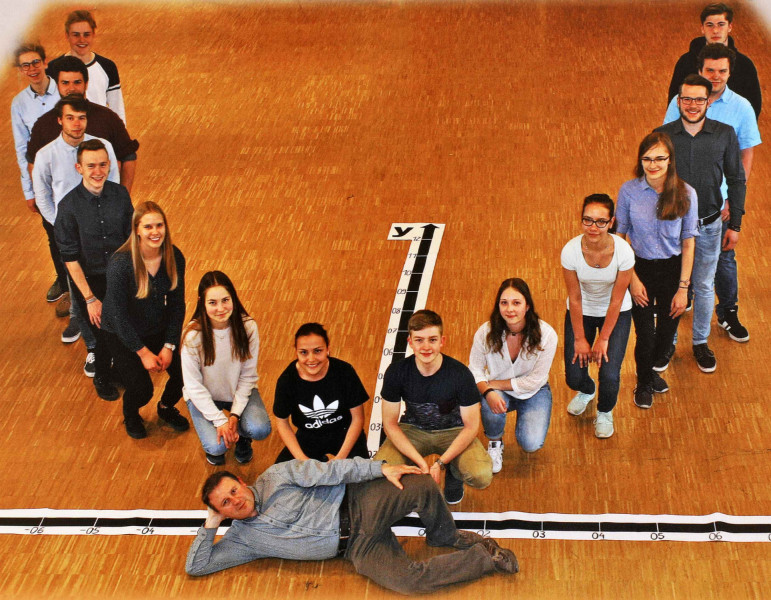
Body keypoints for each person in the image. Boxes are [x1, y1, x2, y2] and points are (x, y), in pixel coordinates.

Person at [186, 458, 518, 594]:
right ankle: (485, 558)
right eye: (224, 503)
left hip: (360, 503)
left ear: (241, 481)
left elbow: (332, 471)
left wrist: (380, 468)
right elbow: (197, 566)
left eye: (233, 491)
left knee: (422, 484)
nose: (235, 501)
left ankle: (444, 535)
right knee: (408, 582)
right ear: (220, 512)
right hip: (356, 548)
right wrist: (210, 524)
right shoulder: (243, 540)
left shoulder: (277, 476)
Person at [664, 43, 760, 343]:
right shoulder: (679, 105)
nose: (716, 76)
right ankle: (679, 307)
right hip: (678, 212)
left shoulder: (740, 110)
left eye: (722, 71)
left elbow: (743, 160)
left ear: (730, 73)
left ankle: (727, 312)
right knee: (677, 270)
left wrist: (733, 205)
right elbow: (665, 150)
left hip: (716, 207)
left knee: (723, 263)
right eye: (710, 70)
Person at [656, 74, 746, 374]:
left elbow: (736, 179)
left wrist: (735, 225)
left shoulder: (725, 134)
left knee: (705, 286)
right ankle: (666, 343)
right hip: (670, 228)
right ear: (678, 101)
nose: (692, 105)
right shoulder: (662, 136)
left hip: (710, 226)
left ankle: (700, 342)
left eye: (699, 99)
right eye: (687, 99)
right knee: (670, 286)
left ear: (709, 102)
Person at [32, 96, 119, 363]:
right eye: (70, 118)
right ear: (60, 120)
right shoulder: (45, 155)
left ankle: (118, 340)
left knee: (112, 284)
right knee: (80, 290)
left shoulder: (102, 147)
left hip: (104, 230)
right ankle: (93, 347)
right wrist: (62, 227)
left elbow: (113, 182)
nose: (77, 123)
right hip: (69, 235)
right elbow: (42, 196)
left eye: (81, 118)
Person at [374, 310, 492, 505]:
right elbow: (390, 424)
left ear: (442, 341)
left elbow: (471, 426)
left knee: (481, 475)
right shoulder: (396, 372)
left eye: (432, 340)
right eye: (419, 340)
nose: (426, 347)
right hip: (413, 430)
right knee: (381, 473)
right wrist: (421, 463)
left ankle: (454, 473)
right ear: (410, 342)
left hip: (453, 430)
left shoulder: (461, 374)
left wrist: (441, 463)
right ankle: (411, 479)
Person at [616, 132, 698, 409]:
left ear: (670, 160)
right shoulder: (629, 191)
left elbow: (688, 243)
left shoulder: (687, 193)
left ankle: (650, 372)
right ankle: (643, 383)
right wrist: (632, 279)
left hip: (673, 271)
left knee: (665, 338)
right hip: (639, 268)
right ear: (640, 160)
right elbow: (619, 238)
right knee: (645, 336)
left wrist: (683, 289)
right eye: (647, 159)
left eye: (659, 158)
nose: (653, 165)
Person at [101, 201, 189, 439]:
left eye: (159, 225)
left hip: (154, 324)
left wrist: (169, 345)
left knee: (185, 376)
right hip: (120, 332)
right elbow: (118, 316)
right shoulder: (120, 264)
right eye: (148, 226)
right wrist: (143, 353)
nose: (155, 232)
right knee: (142, 389)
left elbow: (177, 304)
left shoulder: (174, 256)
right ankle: (130, 414)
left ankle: (166, 407)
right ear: (137, 230)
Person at [54, 139, 132, 401]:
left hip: (120, 274)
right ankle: (102, 376)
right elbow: (70, 258)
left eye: (102, 165)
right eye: (91, 166)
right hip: (89, 280)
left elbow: (130, 238)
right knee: (101, 333)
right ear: (79, 168)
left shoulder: (121, 195)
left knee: (122, 326)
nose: (98, 172)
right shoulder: (68, 207)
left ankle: (119, 369)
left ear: (109, 165)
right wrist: (89, 298)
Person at [561, 195, 634, 439]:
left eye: (601, 222)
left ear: (611, 222)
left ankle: (604, 411)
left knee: (610, 373)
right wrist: (580, 339)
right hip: (582, 311)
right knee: (573, 376)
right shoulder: (570, 251)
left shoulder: (624, 252)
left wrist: (603, 339)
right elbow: (574, 298)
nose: (593, 227)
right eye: (588, 220)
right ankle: (587, 390)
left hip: (616, 312)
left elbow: (616, 300)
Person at [182, 271, 271, 465]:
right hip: (204, 396)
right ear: (202, 303)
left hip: (236, 392)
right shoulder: (192, 336)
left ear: (233, 298)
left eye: (225, 300)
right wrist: (220, 421)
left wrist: (235, 415)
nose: (221, 308)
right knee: (217, 447)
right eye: (212, 302)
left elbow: (248, 376)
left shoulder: (248, 327)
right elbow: (193, 386)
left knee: (260, 428)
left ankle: (242, 438)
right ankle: (221, 440)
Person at [468, 279, 557, 472]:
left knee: (531, 443)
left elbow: (535, 380)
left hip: (534, 391)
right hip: (497, 389)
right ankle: (494, 441)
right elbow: (474, 369)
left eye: (516, 303)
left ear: (527, 306)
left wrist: (493, 384)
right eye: (504, 303)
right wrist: (488, 391)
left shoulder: (548, 335)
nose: (510, 309)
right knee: (488, 402)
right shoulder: (485, 332)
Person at [27, 56, 138, 192]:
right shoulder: (43, 124)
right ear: (57, 85)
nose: (71, 88)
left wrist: (123, 197)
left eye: (77, 82)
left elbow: (129, 157)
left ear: (86, 84)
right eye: (65, 83)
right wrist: (45, 200)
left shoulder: (108, 118)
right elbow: (34, 164)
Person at [273, 323, 369, 463]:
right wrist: (304, 460)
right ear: (296, 352)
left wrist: (339, 459)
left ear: (328, 349)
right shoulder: (286, 380)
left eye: (317, 351)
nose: (311, 359)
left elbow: (358, 418)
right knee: (279, 473)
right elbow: (282, 423)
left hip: (345, 432)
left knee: (363, 474)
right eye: (304, 352)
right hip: (308, 436)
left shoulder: (345, 371)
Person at [10, 43, 61, 305]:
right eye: (25, 65)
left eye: (35, 62)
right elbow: (22, 148)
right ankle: (63, 279)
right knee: (52, 233)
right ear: (20, 70)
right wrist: (28, 190)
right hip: (43, 179)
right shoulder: (19, 104)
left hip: (71, 173)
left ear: (45, 62)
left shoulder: (64, 90)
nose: (32, 69)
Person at [667, 3, 761, 118]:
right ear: (702, 28)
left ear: (730, 27)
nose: (715, 30)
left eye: (721, 25)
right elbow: (675, 104)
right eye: (710, 25)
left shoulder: (745, 65)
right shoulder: (685, 62)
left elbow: (752, 108)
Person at [47, 10, 126, 123]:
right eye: (76, 35)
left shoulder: (108, 67)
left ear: (93, 35)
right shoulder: (52, 68)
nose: (82, 40)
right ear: (67, 36)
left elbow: (117, 109)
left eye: (86, 34)